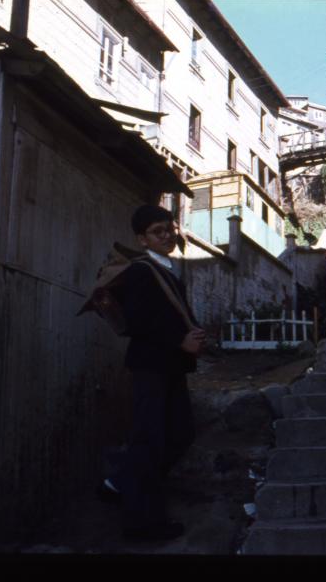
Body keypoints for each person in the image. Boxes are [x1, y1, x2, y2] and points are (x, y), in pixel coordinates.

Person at [96, 204, 206, 542]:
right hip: (151, 366)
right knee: (150, 442)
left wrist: (192, 337)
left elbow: (169, 315)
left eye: (170, 229)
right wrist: (179, 340)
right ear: (142, 239)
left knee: (181, 433)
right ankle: (142, 525)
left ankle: (121, 483)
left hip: (169, 365)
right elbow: (139, 322)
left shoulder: (168, 268)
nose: (168, 236)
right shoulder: (141, 271)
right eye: (158, 232)